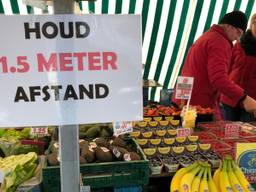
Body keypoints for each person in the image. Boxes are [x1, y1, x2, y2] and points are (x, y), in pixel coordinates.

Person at [172, 10, 256, 119]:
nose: (237, 38)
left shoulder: (208, 36)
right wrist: (244, 98)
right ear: (229, 26)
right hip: (197, 105)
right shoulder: (220, 42)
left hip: (185, 100)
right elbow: (219, 78)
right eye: (238, 33)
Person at [220, 13, 256, 121]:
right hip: (230, 97)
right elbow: (226, 68)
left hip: (252, 100)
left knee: (246, 134)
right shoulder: (239, 44)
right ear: (251, 25)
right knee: (227, 131)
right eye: (255, 22)